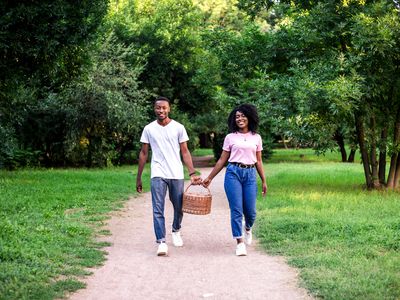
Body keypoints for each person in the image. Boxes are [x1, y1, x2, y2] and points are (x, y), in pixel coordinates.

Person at [136, 96, 201, 256]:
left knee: (179, 206)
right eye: (158, 108)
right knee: (157, 208)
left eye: (164, 107)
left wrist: (192, 172)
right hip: (158, 173)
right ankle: (161, 242)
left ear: (169, 109)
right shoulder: (149, 129)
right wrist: (138, 177)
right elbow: (144, 153)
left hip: (176, 173)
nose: (161, 110)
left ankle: (176, 229)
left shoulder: (178, 128)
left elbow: (185, 151)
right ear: (154, 109)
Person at [202, 104, 267, 256]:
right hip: (233, 173)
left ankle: (248, 228)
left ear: (249, 117)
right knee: (236, 209)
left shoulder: (256, 137)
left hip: (250, 174)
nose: (240, 119)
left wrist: (264, 180)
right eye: (237, 116)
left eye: (243, 116)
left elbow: (259, 161)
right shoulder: (230, 137)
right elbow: (222, 160)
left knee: (250, 212)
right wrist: (210, 177)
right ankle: (239, 242)